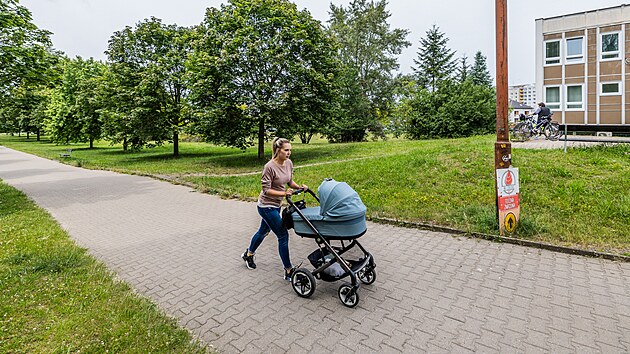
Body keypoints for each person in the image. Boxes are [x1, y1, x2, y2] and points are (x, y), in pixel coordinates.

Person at [241, 137, 308, 281]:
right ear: (278, 150)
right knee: (283, 235)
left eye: (290, 150)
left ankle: (248, 254)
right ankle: (289, 270)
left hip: (276, 205)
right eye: (286, 150)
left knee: (263, 231)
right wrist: (284, 193)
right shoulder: (269, 167)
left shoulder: (288, 163)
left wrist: (300, 187)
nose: (289, 153)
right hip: (266, 206)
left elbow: (289, 181)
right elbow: (266, 190)